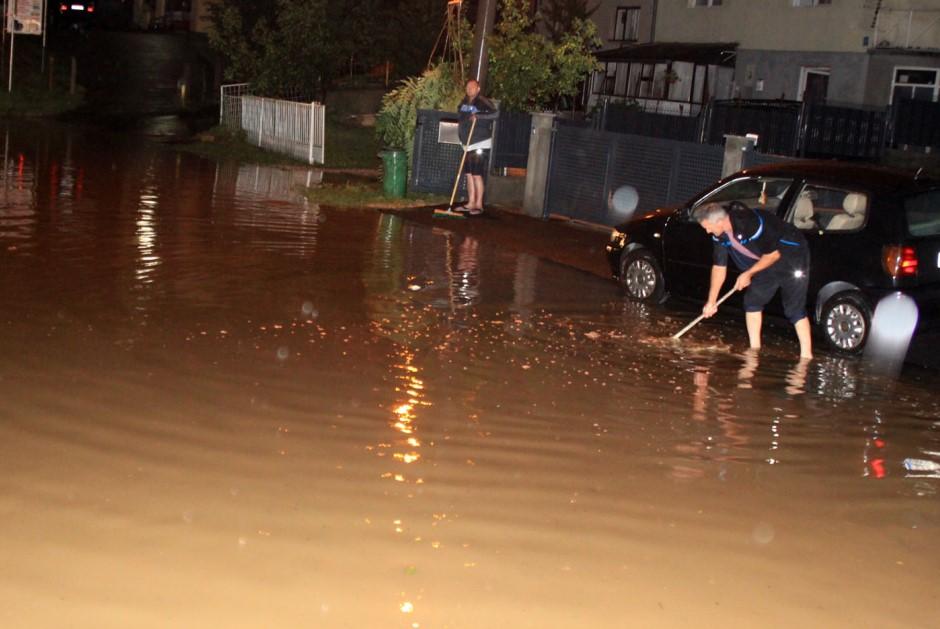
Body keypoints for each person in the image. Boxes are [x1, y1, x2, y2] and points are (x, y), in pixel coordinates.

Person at [693, 202, 813, 359]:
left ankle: (806, 356)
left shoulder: (750, 223)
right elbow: (719, 267)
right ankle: (754, 351)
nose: (708, 231)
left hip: (790, 258)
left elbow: (773, 255)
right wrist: (711, 301)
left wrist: (748, 274)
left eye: (708, 227)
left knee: (793, 309)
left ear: (720, 221)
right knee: (752, 302)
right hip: (763, 261)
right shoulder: (719, 235)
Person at [457, 79, 498, 216]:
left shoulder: (482, 101)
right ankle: (471, 202)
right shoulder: (463, 103)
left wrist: (478, 116)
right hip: (467, 144)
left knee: (476, 174)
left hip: (480, 142)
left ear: (478, 88)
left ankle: (479, 205)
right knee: (468, 174)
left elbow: (495, 114)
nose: (469, 89)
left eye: (472, 87)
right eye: (467, 87)